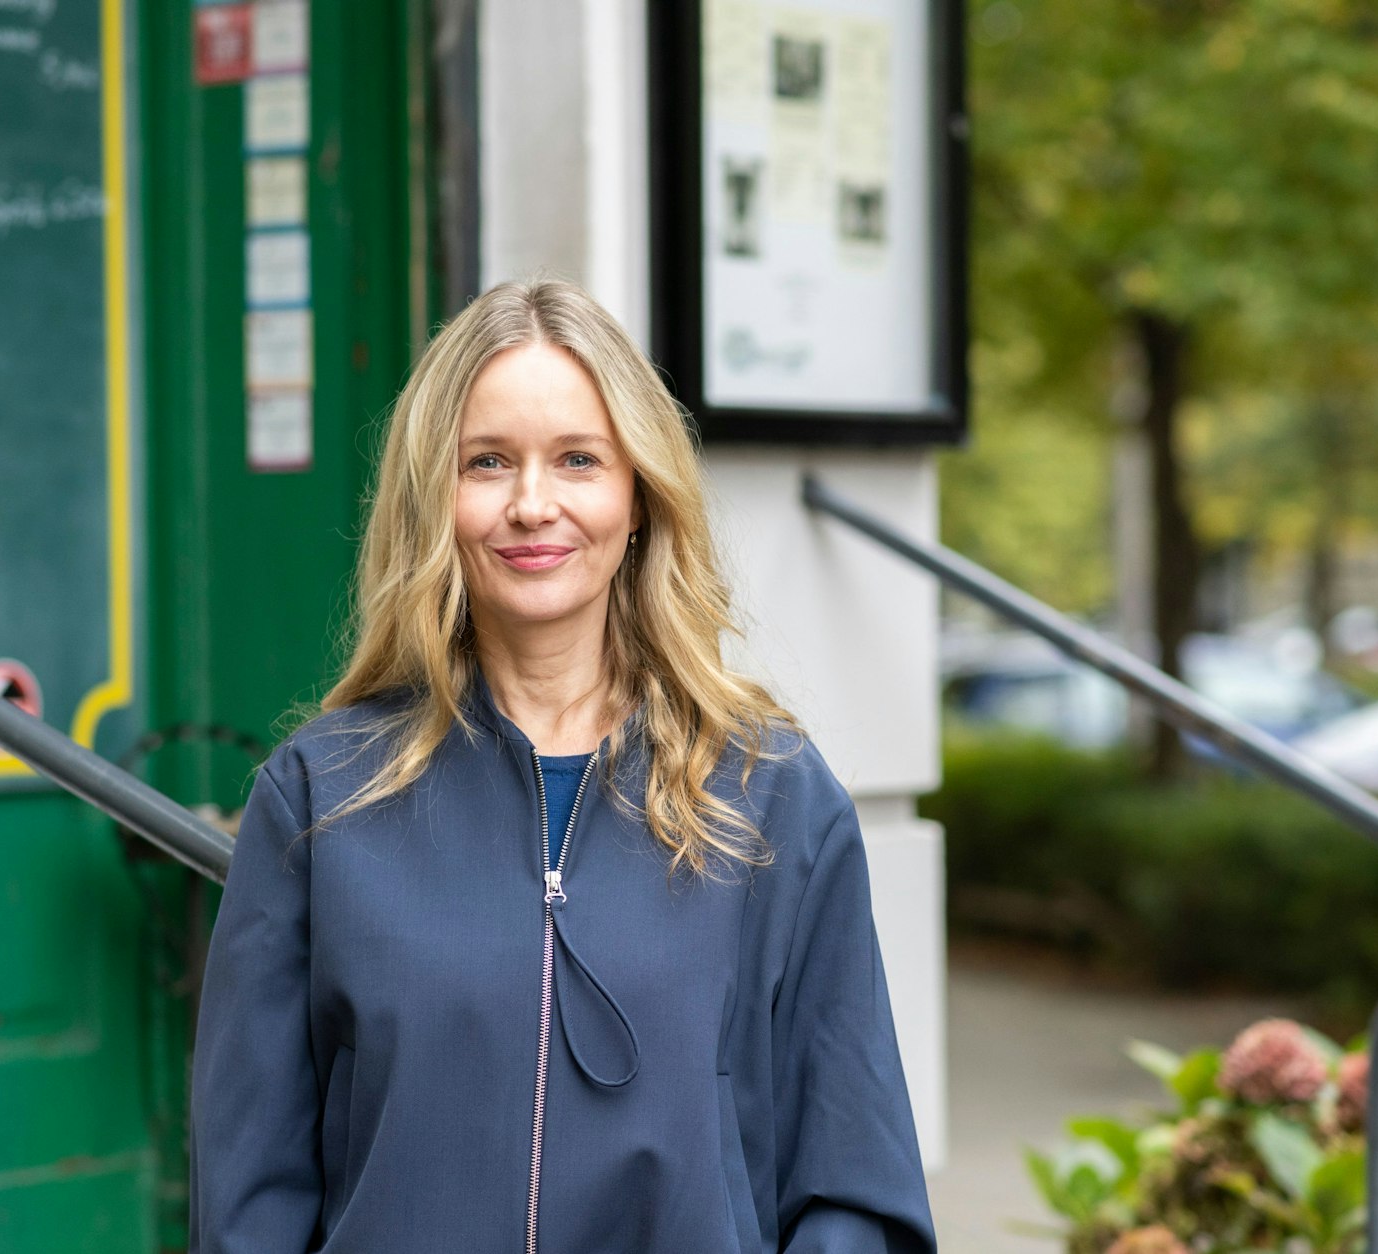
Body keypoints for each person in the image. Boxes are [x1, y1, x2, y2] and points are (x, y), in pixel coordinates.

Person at [189, 278, 936, 1253]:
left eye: (577, 460)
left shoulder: (772, 797)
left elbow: (851, 1181)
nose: (531, 505)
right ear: (434, 500)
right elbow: (249, 1191)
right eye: (487, 462)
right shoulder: (321, 796)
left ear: (636, 495)